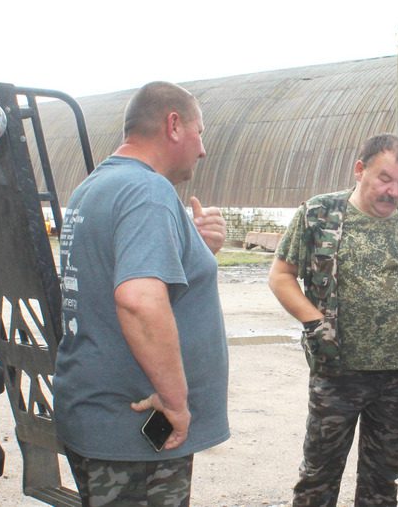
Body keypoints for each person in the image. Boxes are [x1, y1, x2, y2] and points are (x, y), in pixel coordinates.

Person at [54, 81, 230, 506]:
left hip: (100, 420)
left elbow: (115, 276)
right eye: (199, 132)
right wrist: (175, 402)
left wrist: (195, 249)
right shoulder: (146, 191)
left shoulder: (96, 186)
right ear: (173, 125)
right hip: (136, 436)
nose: (202, 149)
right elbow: (139, 300)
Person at [268, 133, 398, 506]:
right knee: (318, 476)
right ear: (359, 169)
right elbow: (280, 276)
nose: (394, 192)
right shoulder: (319, 214)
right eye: (385, 179)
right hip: (336, 373)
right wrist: (316, 322)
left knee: (383, 480)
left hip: (396, 375)